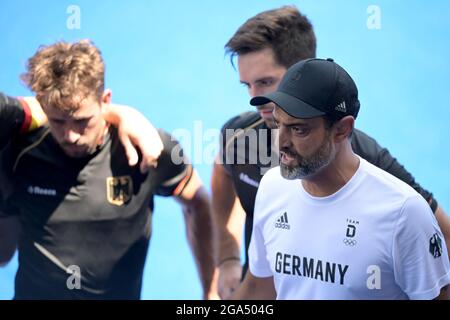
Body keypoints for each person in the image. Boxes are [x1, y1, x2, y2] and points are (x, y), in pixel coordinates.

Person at [212, 5, 450, 299]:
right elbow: (223, 172)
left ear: (301, 72)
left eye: (265, 82)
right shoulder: (240, 138)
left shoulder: (365, 160)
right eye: (246, 85)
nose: (255, 99)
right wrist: (227, 258)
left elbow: (438, 236)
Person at [0, 40, 215, 299]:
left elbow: (197, 203)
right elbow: (3, 253)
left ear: (106, 100)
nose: (70, 135)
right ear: (42, 107)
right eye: (58, 121)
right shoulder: (19, 153)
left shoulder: (149, 148)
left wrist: (211, 291)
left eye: (82, 121)